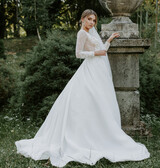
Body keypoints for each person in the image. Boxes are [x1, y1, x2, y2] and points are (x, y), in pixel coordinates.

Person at [15, 9, 150, 167]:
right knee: (86, 100)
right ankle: (82, 138)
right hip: (90, 69)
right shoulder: (82, 34)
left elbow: (103, 51)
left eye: (94, 20)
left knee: (100, 102)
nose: (92, 23)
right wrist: (95, 53)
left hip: (99, 71)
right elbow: (78, 54)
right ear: (82, 19)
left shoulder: (92, 33)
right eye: (89, 19)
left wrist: (110, 40)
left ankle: (99, 134)